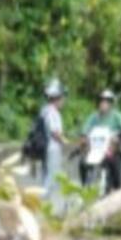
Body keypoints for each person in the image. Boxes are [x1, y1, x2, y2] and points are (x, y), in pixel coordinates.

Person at [81, 88, 121, 191]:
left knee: (114, 161)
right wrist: (84, 137)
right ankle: (85, 186)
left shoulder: (117, 116)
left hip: (111, 149)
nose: (103, 104)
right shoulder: (94, 117)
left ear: (110, 104)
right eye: (101, 101)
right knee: (82, 163)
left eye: (106, 101)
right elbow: (85, 129)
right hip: (95, 149)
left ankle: (118, 188)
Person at [39, 79, 67, 210]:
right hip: (52, 149)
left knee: (48, 175)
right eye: (62, 97)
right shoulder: (52, 112)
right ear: (57, 98)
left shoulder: (44, 110)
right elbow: (55, 132)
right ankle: (40, 205)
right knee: (51, 178)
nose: (63, 101)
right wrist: (64, 141)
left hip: (45, 149)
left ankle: (46, 206)